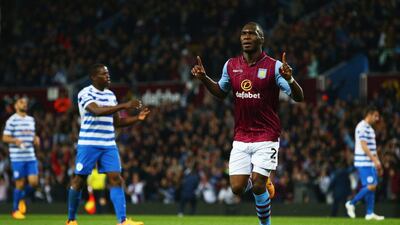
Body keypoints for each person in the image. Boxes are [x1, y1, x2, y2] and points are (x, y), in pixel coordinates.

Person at [191, 22, 304, 225]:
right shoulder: (231, 65)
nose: (246, 37)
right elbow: (220, 92)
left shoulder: (274, 66)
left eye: (252, 34)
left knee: (258, 185)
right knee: (237, 188)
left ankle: (265, 223)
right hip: (241, 136)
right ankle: (262, 179)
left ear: (261, 39)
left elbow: (299, 97)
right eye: (243, 33)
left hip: (267, 134)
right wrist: (204, 79)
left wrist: (291, 79)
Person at [66, 64, 150, 225]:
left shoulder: (111, 95)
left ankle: (122, 221)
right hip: (88, 143)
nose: (108, 76)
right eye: (104, 74)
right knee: (79, 180)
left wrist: (137, 119)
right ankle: (71, 219)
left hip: (108, 144)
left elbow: (117, 122)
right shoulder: (85, 93)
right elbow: (96, 111)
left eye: (108, 74)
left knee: (116, 179)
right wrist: (125, 105)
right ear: (93, 77)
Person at [2, 97, 41, 219]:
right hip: (17, 158)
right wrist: (15, 140)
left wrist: (36, 138)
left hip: (30, 156)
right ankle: (15, 211)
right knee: (19, 183)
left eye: (25, 103)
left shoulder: (31, 120)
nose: (24, 104)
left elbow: (32, 134)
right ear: (15, 106)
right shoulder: (11, 120)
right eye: (21, 102)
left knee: (34, 183)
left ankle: (21, 197)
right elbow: (4, 138)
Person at [345, 106, 385, 220]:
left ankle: (369, 213)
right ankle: (351, 203)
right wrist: (375, 160)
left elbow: (373, 148)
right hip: (363, 162)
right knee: (371, 185)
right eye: (376, 116)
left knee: (372, 186)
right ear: (369, 114)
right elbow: (364, 145)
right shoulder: (361, 127)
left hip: (370, 162)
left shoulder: (370, 129)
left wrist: (378, 162)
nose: (377, 118)